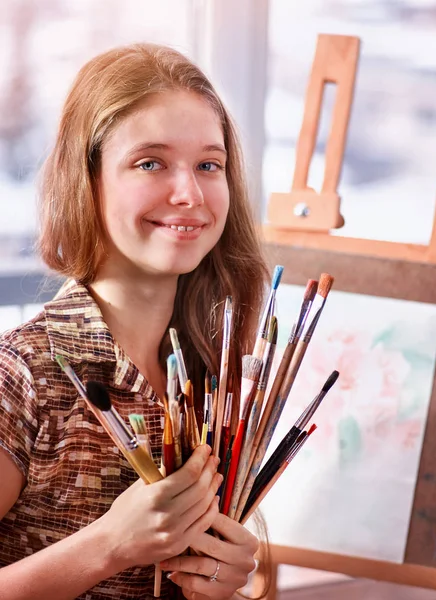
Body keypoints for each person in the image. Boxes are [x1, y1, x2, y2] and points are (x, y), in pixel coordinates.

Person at [0, 43, 269, 600]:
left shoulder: (213, 375)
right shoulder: (21, 378)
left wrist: (231, 579)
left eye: (208, 165)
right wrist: (109, 546)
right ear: (88, 178)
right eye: (150, 162)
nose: (189, 193)